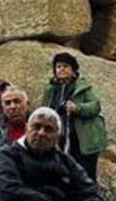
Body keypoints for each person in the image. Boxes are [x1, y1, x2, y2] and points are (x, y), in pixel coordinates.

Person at [41, 52, 106, 182]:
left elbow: (95, 107)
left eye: (66, 66)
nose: (61, 69)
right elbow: (44, 108)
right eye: (58, 67)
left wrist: (77, 108)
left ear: (73, 69)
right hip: (59, 138)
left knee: (85, 175)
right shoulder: (50, 89)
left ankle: (89, 200)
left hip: (82, 140)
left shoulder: (83, 87)